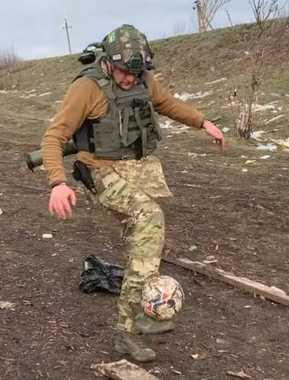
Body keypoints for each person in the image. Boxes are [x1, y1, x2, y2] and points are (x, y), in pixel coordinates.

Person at [41, 24, 225, 362]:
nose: (130, 79)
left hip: (135, 167)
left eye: (136, 73)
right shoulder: (86, 89)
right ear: (110, 63)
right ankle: (133, 325)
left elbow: (166, 103)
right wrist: (58, 182)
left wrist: (203, 122)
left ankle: (137, 314)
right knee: (149, 218)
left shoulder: (143, 79)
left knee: (148, 237)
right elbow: (53, 138)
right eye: (125, 72)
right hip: (98, 169)